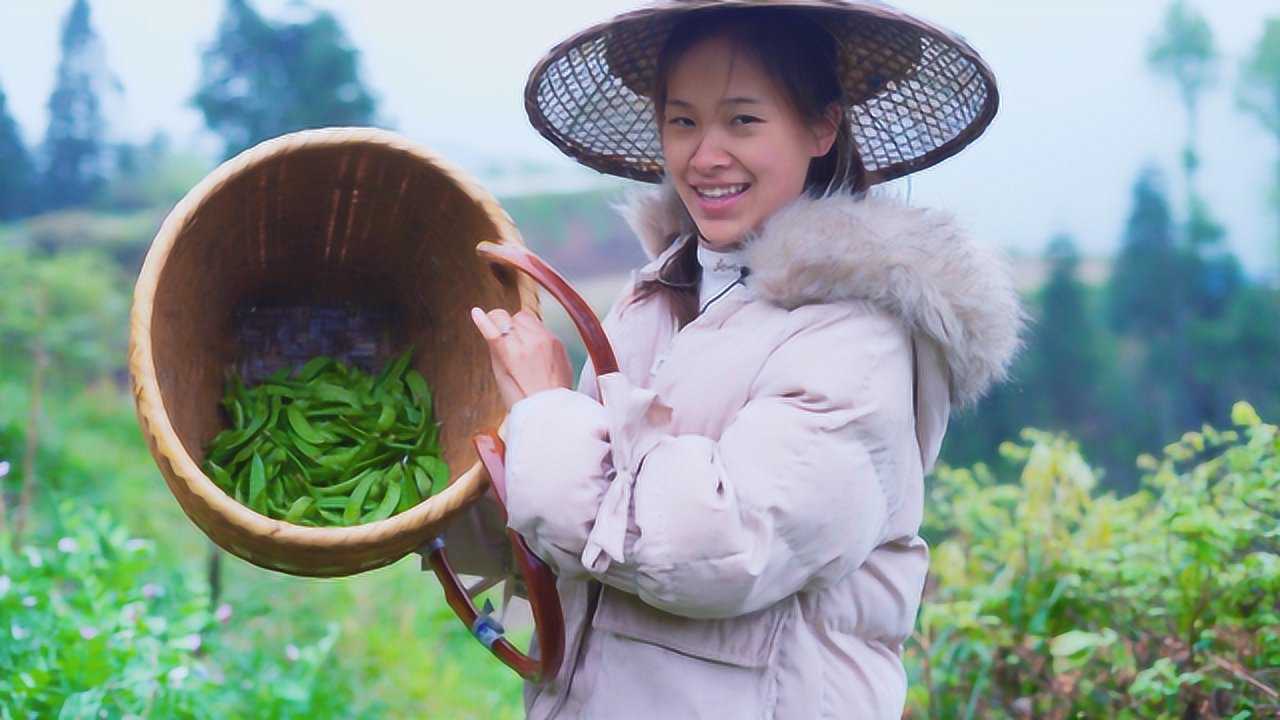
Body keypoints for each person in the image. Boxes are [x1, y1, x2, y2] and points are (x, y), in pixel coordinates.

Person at [461, 2, 1027, 717]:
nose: (706, 156)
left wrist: (547, 412)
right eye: (684, 121)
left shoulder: (855, 335)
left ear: (821, 126)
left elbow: (716, 548)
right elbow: (578, 525)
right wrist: (460, 481)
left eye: (744, 120)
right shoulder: (655, 299)